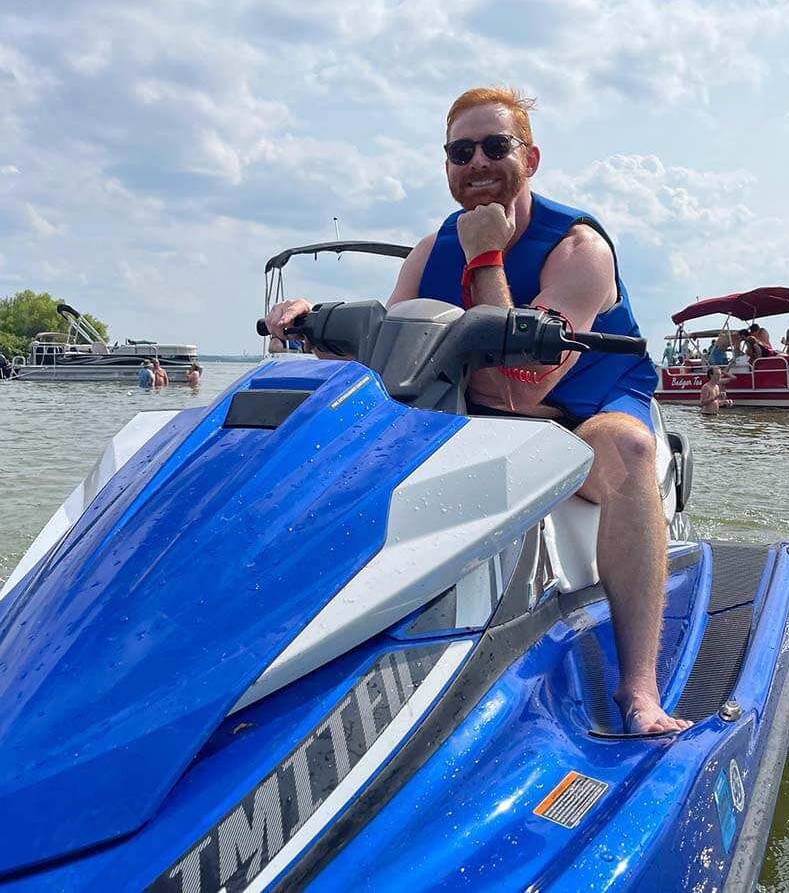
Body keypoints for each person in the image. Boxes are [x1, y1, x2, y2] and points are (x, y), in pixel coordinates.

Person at [265, 87, 689, 735]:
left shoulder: (579, 249)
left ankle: (639, 690)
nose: (479, 162)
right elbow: (386, 353)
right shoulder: (428, 250)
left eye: (496, 146)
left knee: (627, 449)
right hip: (475, 407)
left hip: (581, 406)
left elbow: (524, 385)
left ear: (531, 157)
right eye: (462, 151)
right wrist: (308, 329)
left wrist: (486, 256)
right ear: (447, 166)